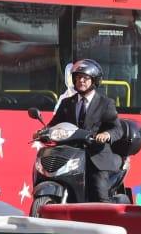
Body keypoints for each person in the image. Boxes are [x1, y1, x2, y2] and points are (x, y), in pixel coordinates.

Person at [48, 58, 123, 202]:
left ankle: (106, 221)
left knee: (100, 195)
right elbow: (54, 124)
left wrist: (106, 134)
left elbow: (116, 128)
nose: (81, 81)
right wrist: (43, 131)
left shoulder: (105, 103)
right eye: (78, 77)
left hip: (96, 157)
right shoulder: (66, 103)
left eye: (85, 78)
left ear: (94, 80)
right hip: (71, 155)